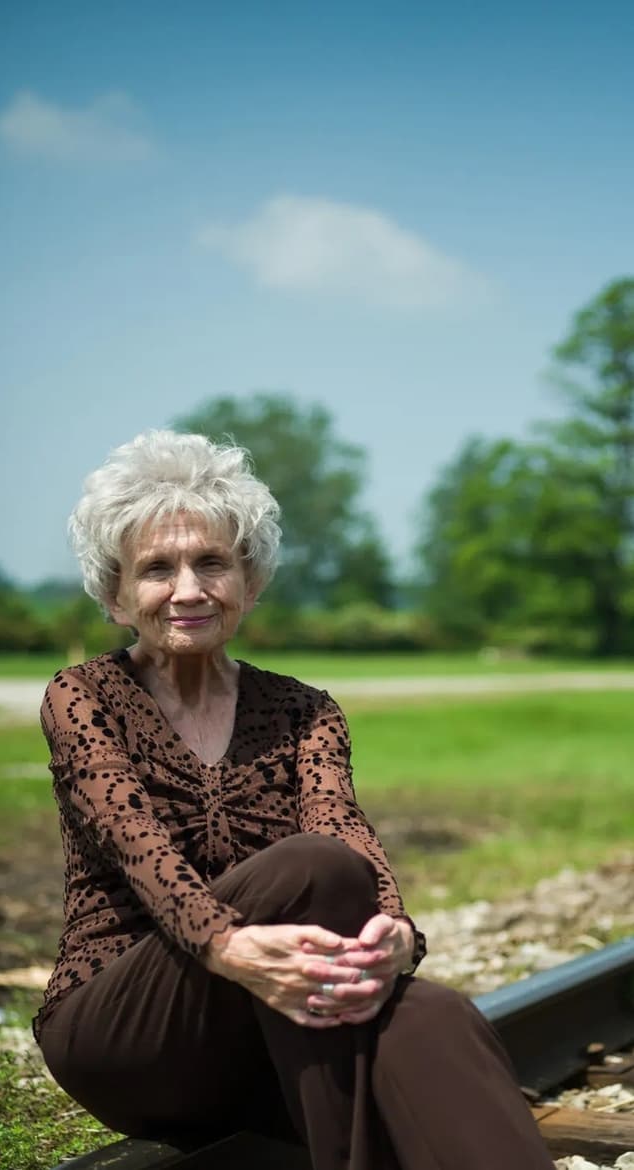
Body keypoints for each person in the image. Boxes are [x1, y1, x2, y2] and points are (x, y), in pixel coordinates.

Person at [34, 429, 554, 1170]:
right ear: (116, 595)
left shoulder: (305, 710)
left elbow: (345, 828)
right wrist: (231, 946)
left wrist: (397, 936)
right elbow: (139, 848)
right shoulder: (83, 697)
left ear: (250, 579)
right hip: (126, 1026)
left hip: (263, 1019)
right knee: (310, 868)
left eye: (212, 562)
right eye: (157, 569)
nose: (188, 589)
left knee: (434, 1013)